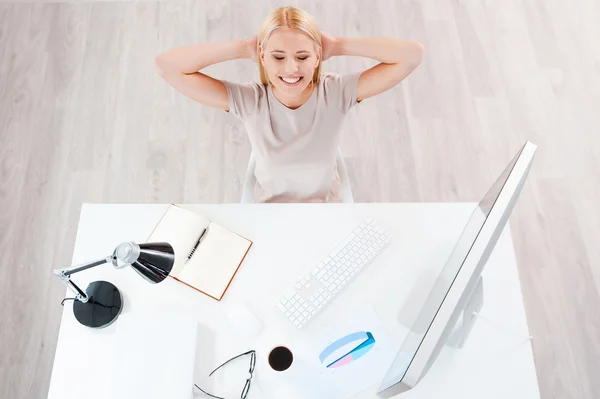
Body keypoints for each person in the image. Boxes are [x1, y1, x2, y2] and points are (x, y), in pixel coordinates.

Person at [155, 6, 424, 203]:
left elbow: (412, 56)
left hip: (324, 215)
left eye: (303, 56)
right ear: (262, 56)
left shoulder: (336, 92)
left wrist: (339, 45)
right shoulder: (250, 101)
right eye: (278, 57)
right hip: (269, 219)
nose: (292, 68)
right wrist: (241, 47)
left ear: (318, 56)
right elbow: (167, 66)